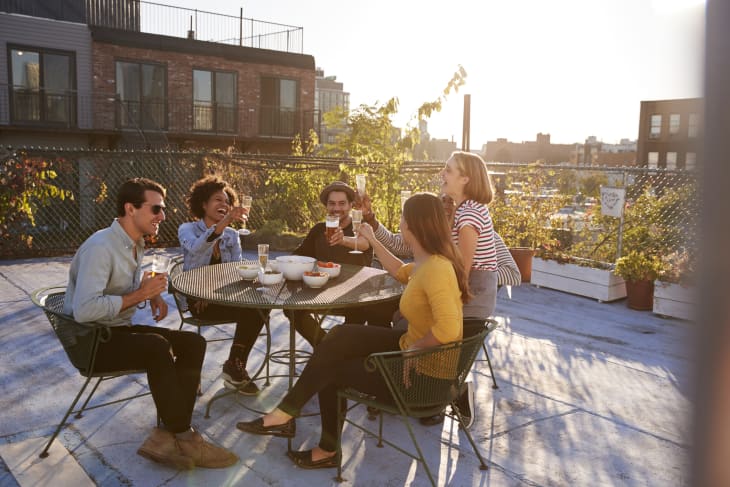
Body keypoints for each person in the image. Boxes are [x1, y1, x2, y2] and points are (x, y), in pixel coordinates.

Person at [236, 193, 469, 469]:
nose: (401, 223)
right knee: (339, 337)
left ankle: (326, 449)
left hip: (423, 378)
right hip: (413, 351)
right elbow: (400, 271)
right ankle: (286, 413)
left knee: (332, 371)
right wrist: (372, 239)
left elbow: (449, 329)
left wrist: (413, 353)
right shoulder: (428, 262)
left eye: (403, 218)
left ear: (413, 225)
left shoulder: (437, 269)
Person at [63, 178, 238, 470]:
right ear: (130, 209)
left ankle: (167, 433)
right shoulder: (101, 247)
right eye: (156, 209)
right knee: (156, 348)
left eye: (163, 209)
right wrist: (139, 295)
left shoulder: (135, 243)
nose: (163, 216)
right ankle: (185, 437)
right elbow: (84, 310)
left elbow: (116, 292)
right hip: (90, 340)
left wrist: (148, 292)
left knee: (193, 341)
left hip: (114, 330)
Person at [178, 176, 266, 395]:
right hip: (196, 299)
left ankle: (234, 364)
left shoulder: (232, 235)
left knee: (261, 303)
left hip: (221, 295)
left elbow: (233, 270)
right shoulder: (187, 229)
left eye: (227, 202)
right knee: (253, 307)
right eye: (218, 200)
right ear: (203, 204)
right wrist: (224, 223)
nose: (224, 205)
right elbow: (197, 249)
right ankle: (230, 369)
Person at [286, 181, 396, 346]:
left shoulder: (360, 226)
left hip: (355, 298)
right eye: (332, 203)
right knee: (290, 308)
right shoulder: (318, 230)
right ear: (326, 206)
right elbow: (298, 257)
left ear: (352, 205)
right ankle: (325, 346)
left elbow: (364, 243)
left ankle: (332, 350)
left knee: (362, 312)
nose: (336, 208)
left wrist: (343, 239)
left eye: (342, 203)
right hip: (321, 293)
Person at [362, 193, 521, 287]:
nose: (445, 206)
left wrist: (461, 276)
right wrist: (370, 219)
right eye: (442, 201)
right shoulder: (431, 235)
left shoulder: (484, 236)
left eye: (451, 202)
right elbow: (395, 244)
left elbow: (514, 275)